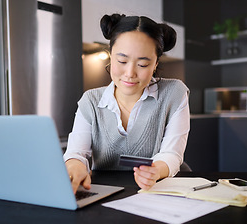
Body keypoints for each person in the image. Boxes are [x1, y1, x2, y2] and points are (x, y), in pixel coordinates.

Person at [64, 13, 190, 193]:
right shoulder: (91, 101)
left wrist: (155, 171)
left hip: (157, 192)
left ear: (155, 64)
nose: (130, 73)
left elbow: (172, 154)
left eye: (143, 64)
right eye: (122, 60)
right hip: (105, 193)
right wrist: (75, 166)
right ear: (110, 55)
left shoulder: (174, 93)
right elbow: (76, 153)